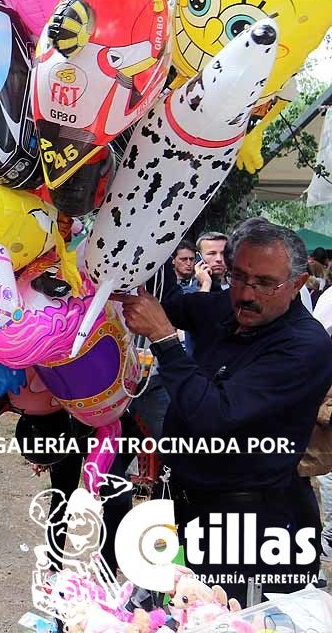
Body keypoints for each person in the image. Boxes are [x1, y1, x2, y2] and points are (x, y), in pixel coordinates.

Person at [115, 218, 332, 603]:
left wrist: (165, 339)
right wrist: (154, 231)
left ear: (298, 284)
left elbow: (216, 417)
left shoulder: (306, 346)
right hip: (186, 506)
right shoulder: (228, 307)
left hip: (252, 527)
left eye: (265, 283)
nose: (247, 293)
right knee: (169, 613)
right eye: (238, 277)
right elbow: (173, 302)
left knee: (227, 618)